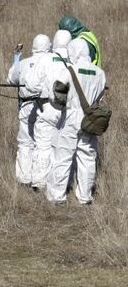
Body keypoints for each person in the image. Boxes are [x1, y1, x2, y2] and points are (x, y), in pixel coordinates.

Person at [46, 39, 106, 204]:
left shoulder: (69, 70)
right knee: (87, 157)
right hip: (90, 118)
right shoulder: (100, 73)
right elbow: (100, 98)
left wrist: (58, 106)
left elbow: (55, 95)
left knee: (63, 156)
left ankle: (57, 197)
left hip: (71, 117)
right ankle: (85, 197)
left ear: (73, 52)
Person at [24, 30, 71, 189]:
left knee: (43, 145)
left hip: (47, 107)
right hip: (68, 111)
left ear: (55, 43)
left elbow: (30, 84)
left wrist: (41, 89)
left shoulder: (47, 59)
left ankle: (39, 183)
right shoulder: (73, 62)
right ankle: (61, 184)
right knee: (63, 148)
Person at [7, 34, 51, 185]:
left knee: (25, 142)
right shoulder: (51, 61)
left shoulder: (23, 63)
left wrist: (17, 59)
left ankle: (23, 178)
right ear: (49, 46)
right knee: (43, 143)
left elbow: (11, 80)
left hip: (25, 106)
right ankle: (40, 181)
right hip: (45, 106)